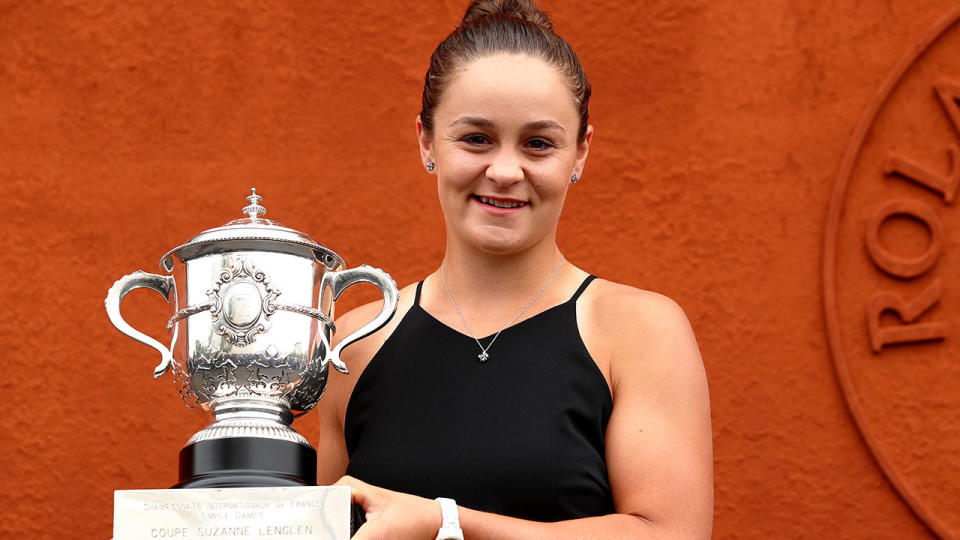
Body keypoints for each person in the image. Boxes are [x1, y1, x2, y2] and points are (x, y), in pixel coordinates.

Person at [315, 1, 714, 538]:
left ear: (580, 153)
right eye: (476, 138)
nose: (504, 170)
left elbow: (670, 535)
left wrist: (446, 522)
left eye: (538, 144)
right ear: (426, 141)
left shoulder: (638, 332)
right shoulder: (353, 345)